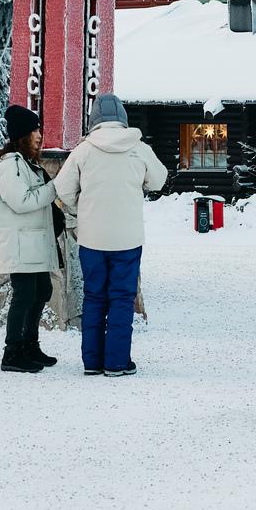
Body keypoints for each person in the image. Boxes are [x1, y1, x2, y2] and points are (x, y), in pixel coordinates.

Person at [54, 92, 170, 377]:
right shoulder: (138, 148)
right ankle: (117, 362)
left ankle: (92, 362)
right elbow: (159, 180)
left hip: (92, 238)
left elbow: (63, 189)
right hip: (128, 239)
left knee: (94, 297)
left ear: (94, 120)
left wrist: (82, 208)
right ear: (123, 119)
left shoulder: (83, 150)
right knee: (121, 298)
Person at [0, 104, 64, 373]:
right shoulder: (10, 166)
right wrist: (54, 188)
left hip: (34, 243)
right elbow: (21, 201)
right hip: (21, 244)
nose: (39, 135)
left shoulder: (26, 164)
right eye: (34, 130)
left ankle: (30, 345)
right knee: (24, 295)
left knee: (42, 291)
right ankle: (12, 352)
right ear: (22, 135)